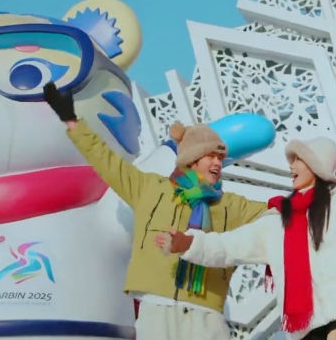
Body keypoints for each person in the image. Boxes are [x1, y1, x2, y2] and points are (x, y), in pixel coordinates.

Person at [156, 90, 336, 340]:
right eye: (291, 160)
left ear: (317, 165)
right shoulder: (276, 221)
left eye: (298, 159)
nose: (291, 166)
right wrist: (189, 243)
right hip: (306, 325)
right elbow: (229, 246)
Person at [43, 82, 268, 340]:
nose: (218, 162)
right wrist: (72, 121)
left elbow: (280, 214)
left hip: (207, 319)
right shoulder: (149, 188)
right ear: (192, 159)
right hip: (156, 312)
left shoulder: (231, 205)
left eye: (220, 157)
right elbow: (106, 160)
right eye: (211, 156)